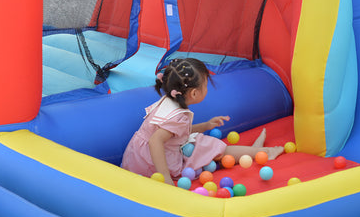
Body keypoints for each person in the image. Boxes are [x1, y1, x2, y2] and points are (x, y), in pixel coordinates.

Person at [121, 58, 284, 185]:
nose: (207, 89)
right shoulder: (178, 116)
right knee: (208, 145)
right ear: (193, 94)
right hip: (153, 164)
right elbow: (155, 140)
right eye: (206, 86)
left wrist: (205, 125)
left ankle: (250, 152)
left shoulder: (168, 99)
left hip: (136, 159)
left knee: (200, 143)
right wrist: (165, 178)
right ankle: (264, 153)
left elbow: (175, 132)